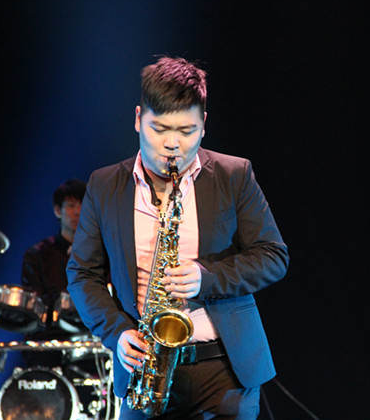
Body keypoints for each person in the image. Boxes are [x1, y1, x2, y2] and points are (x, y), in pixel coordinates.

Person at [66, 56, 289, 418]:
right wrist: (116, 333)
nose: (172, 144)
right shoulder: (104, 185)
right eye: (159, 129)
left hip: (225, 369)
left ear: (204, 125)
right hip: (144, 368)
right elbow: (82, 273)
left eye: (186, 131)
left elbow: (273, 256)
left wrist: (207, 277)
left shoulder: (234, 175)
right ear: (138, 118)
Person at [21, 178, 86, 367]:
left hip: (88, 339)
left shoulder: (99, 253)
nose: (77, 211)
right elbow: (34, 302)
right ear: (58, 211)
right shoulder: (38, 254)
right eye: (71, 205)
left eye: (82, 205)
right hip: (49, 341)